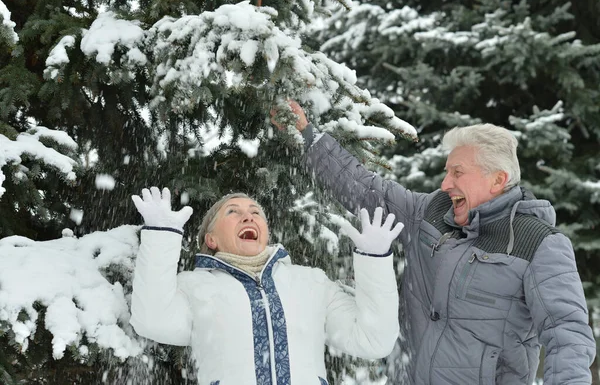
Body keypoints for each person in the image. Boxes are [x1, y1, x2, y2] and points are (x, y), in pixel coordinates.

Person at [273, 101, 596, 385]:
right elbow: (364, 189)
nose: (445, 183)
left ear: (497, 179)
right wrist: (307, 136)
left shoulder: (536, 242)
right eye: (446, 172)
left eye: (458, 172)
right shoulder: (430, 210)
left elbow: (566, 335)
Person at [129, 187, 404, 385]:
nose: (248, 217)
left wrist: (375, 260)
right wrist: (161, 236)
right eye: (233, 212)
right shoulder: (194, 287)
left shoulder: (311, 283)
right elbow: (152, 320)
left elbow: (373, 341)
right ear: (211, 239)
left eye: (255, 212)